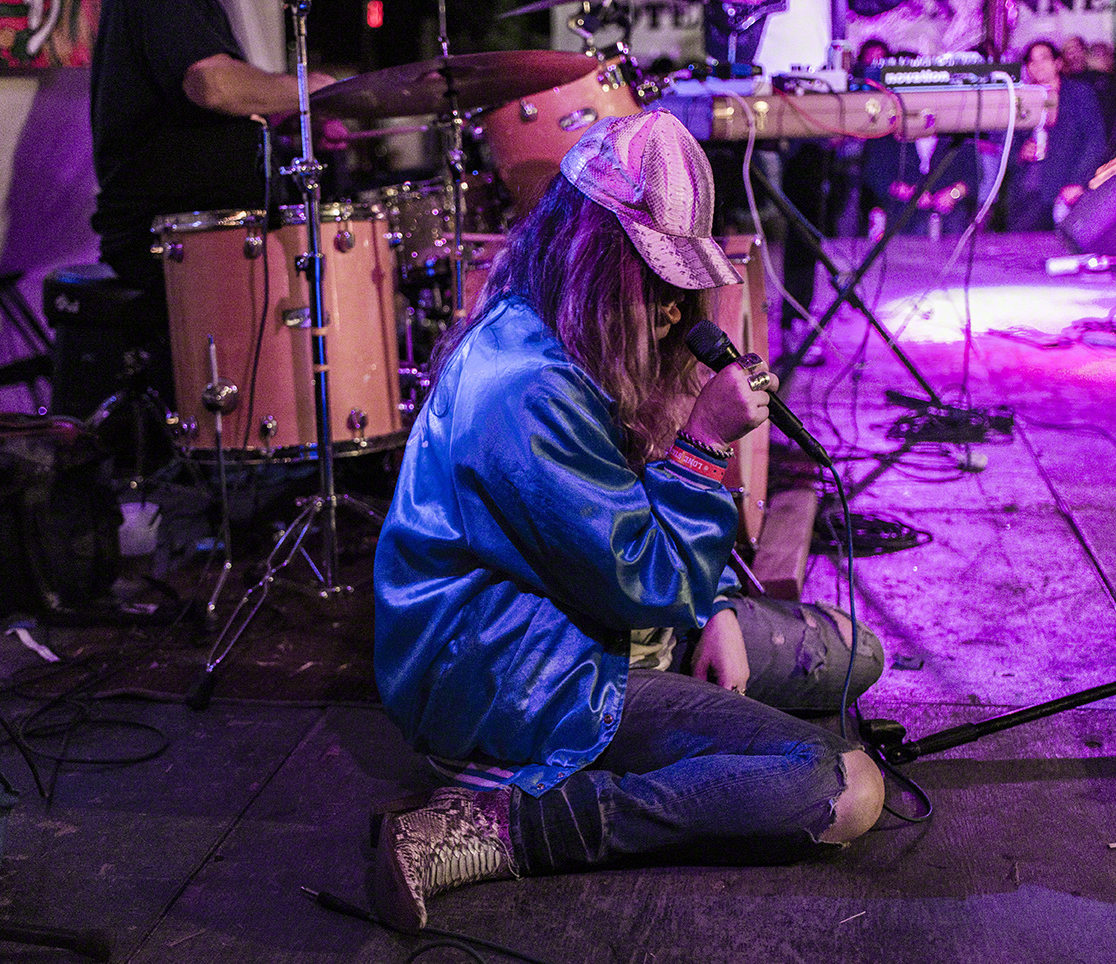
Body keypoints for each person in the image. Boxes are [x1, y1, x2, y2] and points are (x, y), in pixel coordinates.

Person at [370, 109, 885, 933]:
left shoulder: (563, 328)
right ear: (595, 251)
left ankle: (639, 738)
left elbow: (633, 537)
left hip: (590, 620)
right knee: (845, 790)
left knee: (853, 654)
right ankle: (505, 823)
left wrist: (714, 607)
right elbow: (647, 581)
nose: (676, 309)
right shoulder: (527, 387)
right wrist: (705, 442)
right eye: (656, 276)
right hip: (515, 672)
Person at [88, 0, 346, 406]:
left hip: (208, 228)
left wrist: (284, 119)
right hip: (171, 236)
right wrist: (309, 89)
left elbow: (192, 112)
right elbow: (211, 84)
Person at [1007, 39, 1108, 231]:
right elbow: (1007, 148)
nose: (1037, 65)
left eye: (1044, 59)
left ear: (1058, 63)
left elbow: (1095, 142)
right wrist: (1021, 153)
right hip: (1028, 192)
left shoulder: (1079, 94)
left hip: (1065, 189)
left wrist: (1078, 182)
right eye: (1031, 61)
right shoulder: (1022, 98)